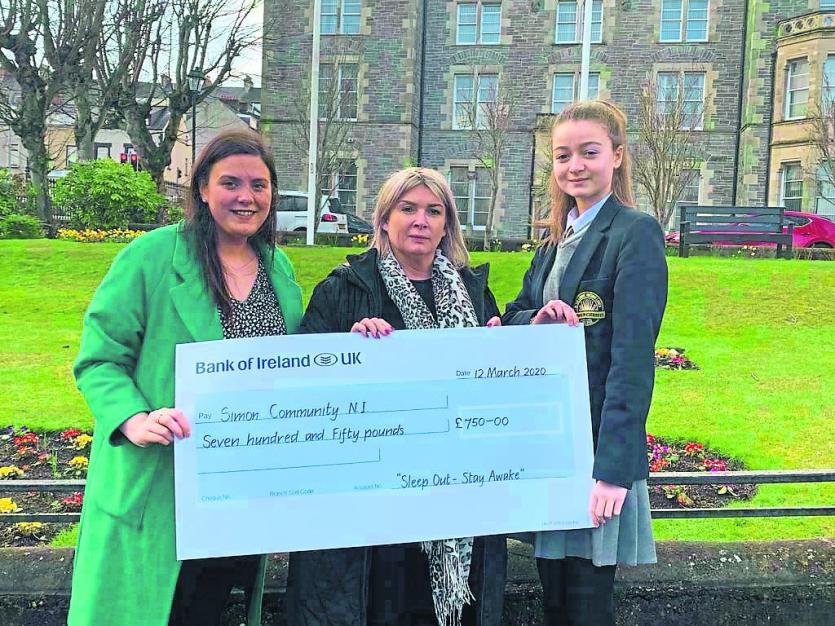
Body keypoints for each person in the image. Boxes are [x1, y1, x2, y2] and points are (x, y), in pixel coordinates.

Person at [68, 128, 303, 626]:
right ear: (202, 188)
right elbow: (99, 358)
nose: (247, 197)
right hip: (159, 484)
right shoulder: (151, 256)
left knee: (210, 608)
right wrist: (131, 417)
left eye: (259, 186)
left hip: (236, 492)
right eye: (231, 183)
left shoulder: (278, 269)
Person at [284, 167, 506, 626]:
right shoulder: (343, 290)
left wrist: (500, 354)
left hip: (453, 501)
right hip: (373, 517)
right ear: (384, 220)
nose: (420, 220)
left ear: (447, 225)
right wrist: (345, 350)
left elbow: (495, 399)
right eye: (407, 209)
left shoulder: (474, 293)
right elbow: (300, 388)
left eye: (433, 210)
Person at [502, 100, 668, 625]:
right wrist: (535, 319)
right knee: (552, 596)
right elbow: (514, 314)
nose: (575, 165)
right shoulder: (554, 239)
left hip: (597, 455)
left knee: (585, 602)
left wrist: (614, 473)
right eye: (563, 154)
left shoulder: (635, 233)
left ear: (616, 157)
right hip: (550, 445)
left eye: (589, 152)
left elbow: (633, 359)